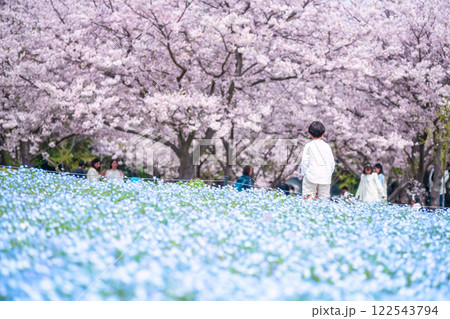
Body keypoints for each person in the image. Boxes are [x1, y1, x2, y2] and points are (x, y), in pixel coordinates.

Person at [300, 121, 335, 199]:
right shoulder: (327, 146)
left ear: (310, 134)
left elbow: (305, 162)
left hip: (311, 176)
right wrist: (328, 174)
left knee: (308, 200)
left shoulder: (308, 146)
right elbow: (332, 164)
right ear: (323, 134)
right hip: (325, 177)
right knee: (323, 201)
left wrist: (304, 173)